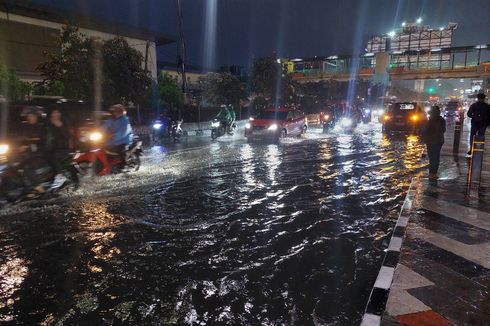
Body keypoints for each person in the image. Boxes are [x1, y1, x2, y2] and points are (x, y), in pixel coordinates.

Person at [46, 108, 73, 186]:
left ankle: (60, 176)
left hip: (63, 148)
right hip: (51, 147)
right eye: (54, 112)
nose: (56, 114)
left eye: (57, 112)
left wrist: (60, 126)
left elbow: (68, 135)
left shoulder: (64, 122)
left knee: (54, 156)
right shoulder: (48, 123)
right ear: (51, 114)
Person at [102, 104, 133, 168]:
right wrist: (98, 132)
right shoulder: (111, 119)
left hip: (124, 140)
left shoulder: (125, 120)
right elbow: (104, 126)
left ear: (120, 112)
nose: (114, 113)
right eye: (113, 112)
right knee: (102, 148)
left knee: (121, 150)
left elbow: (124, 131)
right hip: (112, 139)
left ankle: (124, 164)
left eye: (116, 111)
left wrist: (115, 136)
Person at [422, 106, 446, 179]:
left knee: (432, 158)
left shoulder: (431, 121)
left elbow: (425, 130)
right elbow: (443, 130)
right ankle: (434, 173)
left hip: (432, 141)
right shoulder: (441, 119)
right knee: (436, 157)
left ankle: (432, 173)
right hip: (439, 141)